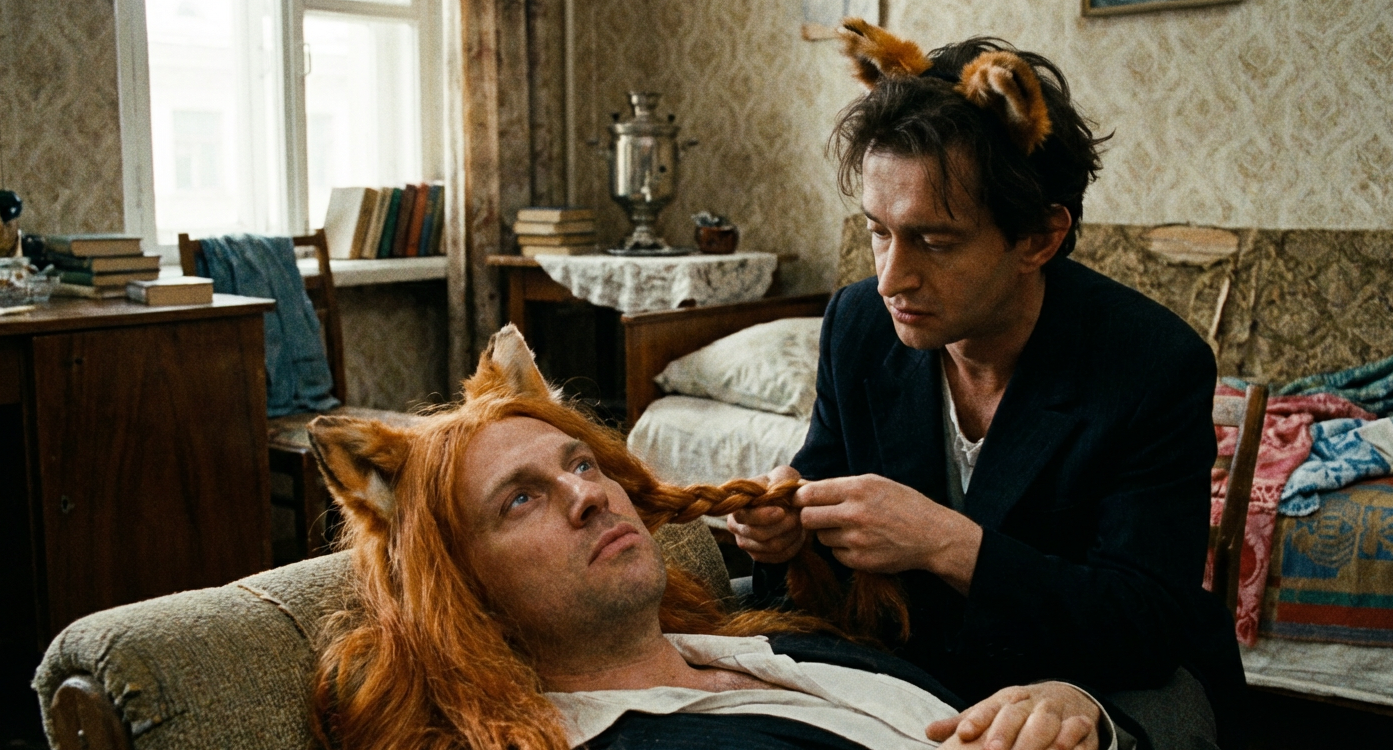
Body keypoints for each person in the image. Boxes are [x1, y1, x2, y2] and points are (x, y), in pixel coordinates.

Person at [727, 20, 1244, 750]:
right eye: (877, 231)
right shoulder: (857, 324)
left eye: (933, 241)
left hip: (1097, 679)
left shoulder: (1151, 364)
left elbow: (1147, 619)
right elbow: (823, 492)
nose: (890, 279)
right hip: (915, 671)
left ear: (1039, 237)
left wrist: (948, 544)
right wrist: (783, 537)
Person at [306, 325, 1121, 750]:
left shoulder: (766, 641)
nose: (587, 496)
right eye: (520, 500)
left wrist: (1071, 708)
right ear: (461, 588)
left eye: (581, 464)